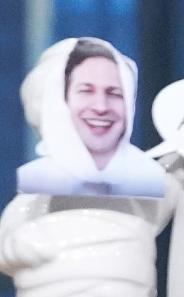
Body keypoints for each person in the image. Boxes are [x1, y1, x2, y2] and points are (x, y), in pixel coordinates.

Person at [11, 37, 170, 200]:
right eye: (86, 91)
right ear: (60, 100)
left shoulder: (150, 178)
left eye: (114, 94)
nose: (101, 107)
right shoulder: (36, 181)